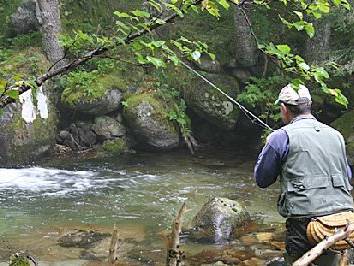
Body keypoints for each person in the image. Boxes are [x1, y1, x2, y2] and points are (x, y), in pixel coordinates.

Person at [254, 84, 354, 265]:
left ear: (284, 109)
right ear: (309, 105)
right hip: (342, 218)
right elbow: (347, 174)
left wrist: (269, 148)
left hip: (303, 221)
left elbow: (262, 179)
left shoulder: (280, 137)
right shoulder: (336, 135)